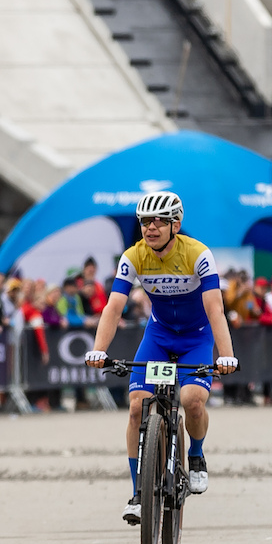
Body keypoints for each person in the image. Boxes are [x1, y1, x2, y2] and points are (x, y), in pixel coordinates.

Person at [84, 192, 238, 525]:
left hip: (196, 337)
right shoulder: (133, 256)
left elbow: (215, 309)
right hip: (159, 336)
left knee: (192, 400)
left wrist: (226, 356)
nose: (150, 228)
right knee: (137, 405)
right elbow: (113, 306)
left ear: (175, 224)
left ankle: (195, 456)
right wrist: (99, 349)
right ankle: (139, 494)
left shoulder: (198, 254)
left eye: (158, 221)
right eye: (144, 222)